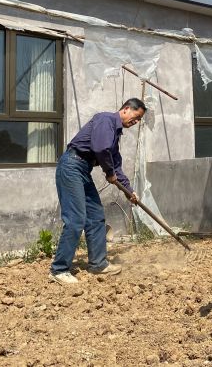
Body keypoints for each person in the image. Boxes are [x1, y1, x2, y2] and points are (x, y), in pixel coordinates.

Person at [49, 98, 147, 285]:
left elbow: (116, 166)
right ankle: (58, 269)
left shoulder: (115, 134)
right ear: (126, 109)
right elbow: (100, 148)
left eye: (139, 120)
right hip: (72, 166)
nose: (135, 122)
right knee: (76, 219)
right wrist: (108, 172)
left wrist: (129, 192)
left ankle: (98, 264)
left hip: (83, 169)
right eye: (136, 117)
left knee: (95, 216)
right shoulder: (105, 120)